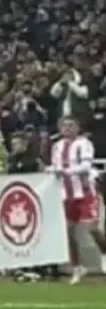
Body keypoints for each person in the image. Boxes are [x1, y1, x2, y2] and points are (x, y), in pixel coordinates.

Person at [47, 116, 106, 284]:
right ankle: (77, 266)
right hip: (66, 194)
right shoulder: (57, 146)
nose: (67, 128)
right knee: (68, 231)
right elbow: (55, 166)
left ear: (77, 128)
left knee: (92, 228)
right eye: (64, 126)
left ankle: (104, 253)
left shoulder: (84, 144)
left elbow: (86, 166)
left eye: (71, 125)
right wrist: (51, 170)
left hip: (85, 192)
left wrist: (64, 171)